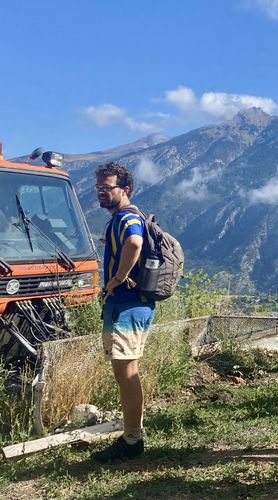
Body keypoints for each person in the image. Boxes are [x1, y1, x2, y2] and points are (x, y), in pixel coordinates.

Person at [91, 162, 155, 462]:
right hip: (129, 305)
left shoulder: (127, 217)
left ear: (124, 190)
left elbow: (134, 241)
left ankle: (132, 441)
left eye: (107, 188)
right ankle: (132, 435)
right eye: (98, 188)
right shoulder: (124, 216)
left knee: (126, 372)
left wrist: (116, 279)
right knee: (125, 372)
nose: (101, 193)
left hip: (128, 305)